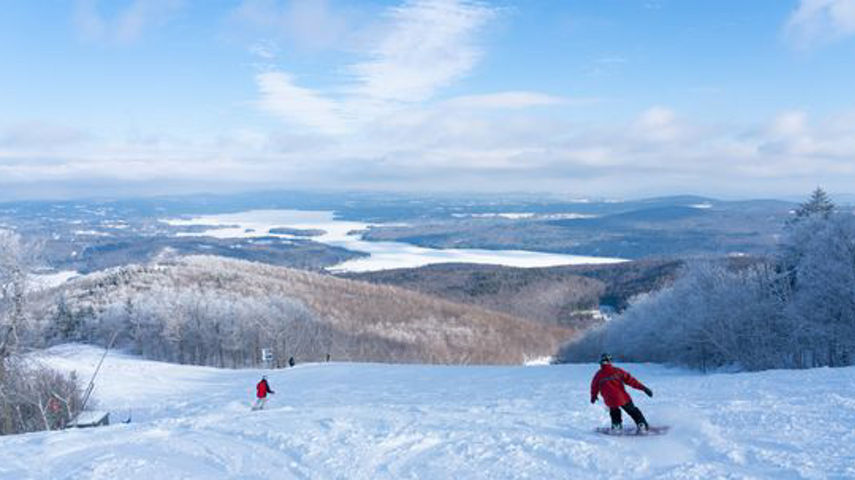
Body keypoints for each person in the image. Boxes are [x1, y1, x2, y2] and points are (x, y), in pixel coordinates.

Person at [590, 353, 652, 432]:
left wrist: (593, 396)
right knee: (633, 411)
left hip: (609, 399)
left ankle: (616, 426)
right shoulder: (617, 371)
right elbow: (631, 381)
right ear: (610, 361)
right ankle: (641, 424)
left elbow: (594, 386)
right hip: (622, 397)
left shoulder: (598, 374)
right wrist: (643, 388)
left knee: (614, 412)